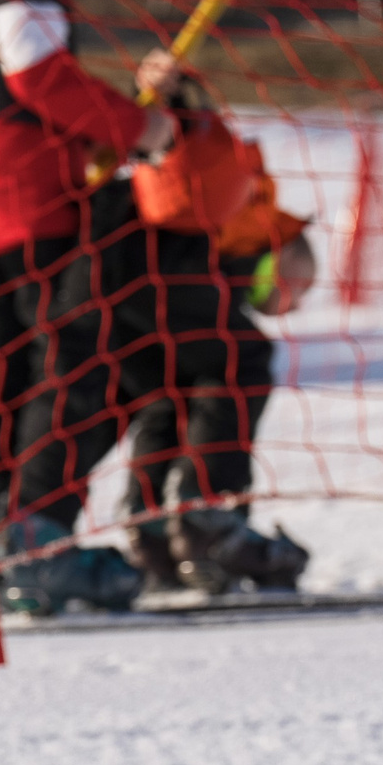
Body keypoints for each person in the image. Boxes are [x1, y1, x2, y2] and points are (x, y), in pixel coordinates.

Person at [0, 0, 178, 615]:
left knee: (2, 369)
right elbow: (33, 68)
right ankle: (36, 542)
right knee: (71, 360)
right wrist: (138, 128)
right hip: (21, 180)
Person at [119, 112, 315, 594]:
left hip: (136, 275)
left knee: (175, 390)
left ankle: (151, 530)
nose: (290, 306)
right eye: (298, 292)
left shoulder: (245, 217)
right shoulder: (254, 221)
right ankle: (205, 516)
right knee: (239, 360)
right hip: (161, 271)